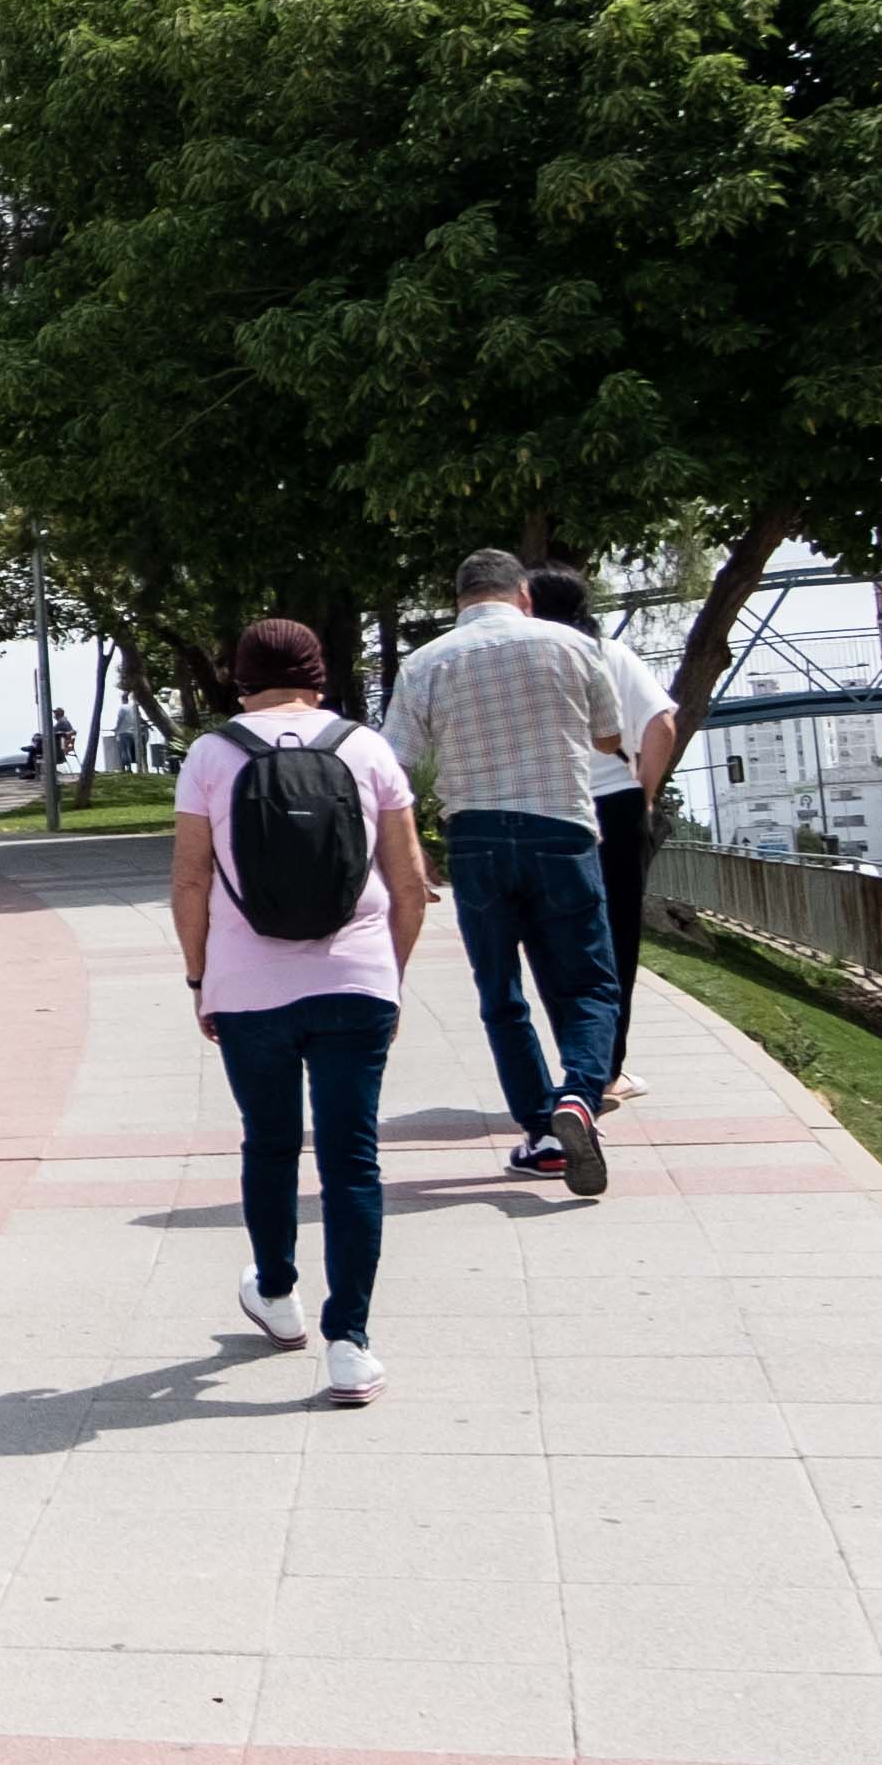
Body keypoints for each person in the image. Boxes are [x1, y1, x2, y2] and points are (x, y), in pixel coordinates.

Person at [175, 617, 429, 1405]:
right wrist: (386, 977)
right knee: (352, 1161)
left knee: (270, 1142)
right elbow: (410, 877)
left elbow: (188, 882)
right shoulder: (365, 748)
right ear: (318, 673)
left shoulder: (212, 755)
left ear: (239, 677)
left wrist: (199, 979)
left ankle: (277, 1295)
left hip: (248, 989)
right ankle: (349, 1343)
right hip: (355, 982)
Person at [380, 549, 629, 1194]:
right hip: (562, 829)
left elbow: (395, 767)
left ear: (458, 598)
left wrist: (410, 848)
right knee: (588, 987)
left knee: (500, 993)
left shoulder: (426, 662)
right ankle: (578, 1095)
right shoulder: (570, 646)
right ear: (523, 593)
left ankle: (542, 1133)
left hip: (477, 838)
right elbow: (608, 736)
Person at [528, 566, 682, 1110]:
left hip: (545, 809)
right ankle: (606, 1068)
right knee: (616, 937)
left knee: (552, 936)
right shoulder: (609, 655)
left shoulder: (527, 663)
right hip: (614, 807)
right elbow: (662, 723)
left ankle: (574, 1055)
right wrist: (642, 795)